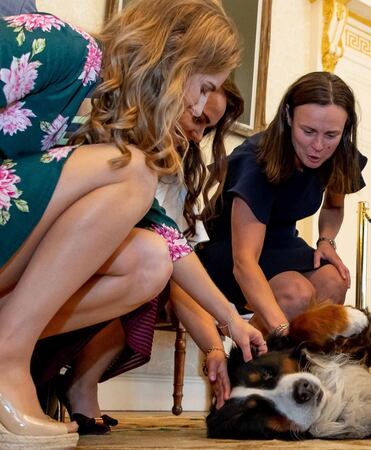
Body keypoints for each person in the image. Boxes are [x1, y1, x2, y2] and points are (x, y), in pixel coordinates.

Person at [0, 2, 265, 446]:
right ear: (171, 56)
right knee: (134, 171)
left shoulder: (116, 129)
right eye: (201, 88)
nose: (196, 108)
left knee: (150, 261)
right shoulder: (63, 46)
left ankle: (8, 340)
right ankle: (8, 355)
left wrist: (231, 321)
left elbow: (169, 239)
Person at [31, 79, 246, 435]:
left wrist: (214, 346)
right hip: (52, 263)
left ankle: (73, 382)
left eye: (207, 127)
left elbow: (179, 270)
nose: (197, 134)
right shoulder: (94, 126)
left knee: (154, 266)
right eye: (198, 118)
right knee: (147, 255)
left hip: (104, 277)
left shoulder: (176, 178)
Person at [198, 71, 366, 336]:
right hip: (231, 251)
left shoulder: (339, 154)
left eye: (331, 134)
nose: (318, 146)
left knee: (335, 281)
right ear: (288, 116)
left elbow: (334, 207)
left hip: (283, 244)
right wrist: (283, 331)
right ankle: (256, 362)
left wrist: (326, 240)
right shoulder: (256, 160)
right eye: (308, 131)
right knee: (296, 293)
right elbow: (244, 262)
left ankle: (303, 363)